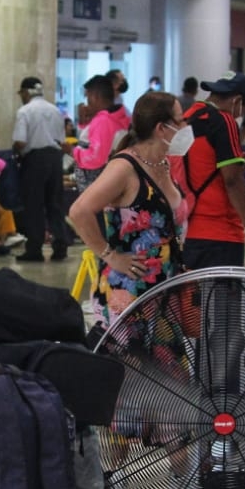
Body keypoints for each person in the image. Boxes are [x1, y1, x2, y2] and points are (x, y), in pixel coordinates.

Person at [67, 91, 188, 325]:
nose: (186, 126)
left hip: (165, 287)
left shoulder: (164, 163)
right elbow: (79, 211)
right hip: (129, 291)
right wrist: (110, 256)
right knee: (130, 361)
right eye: (180, 120)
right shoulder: (124, 168)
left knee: (167, 361)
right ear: (161, 128)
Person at [178, 71, 245, 269]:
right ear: (237, 101)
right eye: (244, 111)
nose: (239, 117)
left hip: (188, 230)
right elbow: (232, 181)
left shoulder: (188, 117)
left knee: (194, 299)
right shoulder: (224, 121)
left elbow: (201, 162)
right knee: (223, 300)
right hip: (221, 233)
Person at [11, 76, 68, 262]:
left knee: (34, 205)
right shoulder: (55, 110)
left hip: (34, 160)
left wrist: (16, 154)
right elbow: (61, 140)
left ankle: (34, 249)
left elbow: (20, 141)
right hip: (55, 159)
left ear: (26, 92)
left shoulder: (24, 111)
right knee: (55, 204)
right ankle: (60, 246)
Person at [71, 74, 127, 192]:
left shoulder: (103, 121)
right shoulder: (114, 117)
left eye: (88, 97)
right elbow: (88, 139)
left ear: (95, 96)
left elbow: (95, 158)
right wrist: (84, 121)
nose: (87, 102)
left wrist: (72, 151)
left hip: (97, 189)